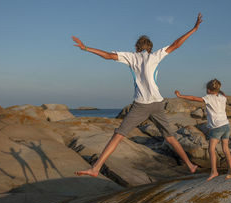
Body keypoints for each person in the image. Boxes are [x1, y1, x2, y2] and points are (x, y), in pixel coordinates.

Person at [72, 13, 204, 177]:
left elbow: (107, 55)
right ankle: (190, 165)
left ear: (136, 47)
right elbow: (176, 44)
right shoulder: (156, 56)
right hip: (157, 104)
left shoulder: (131, 57)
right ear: (150, 48)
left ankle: (96, 168)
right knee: (170, 137)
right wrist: (194, 29)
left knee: (118, 135)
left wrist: (86, 48)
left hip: (140, 105)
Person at [175, 79, 231, 180]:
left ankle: (214, 171)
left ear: (209, 89)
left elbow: (193, 98)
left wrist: (180, 96)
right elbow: (223, 94)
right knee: (225, 149)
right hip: (226, 125)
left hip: (217, 127)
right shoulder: (223, 98)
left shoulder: (209, 98)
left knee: (211, 149)